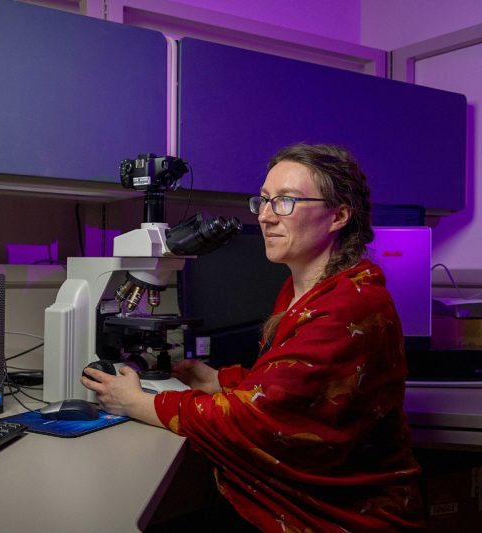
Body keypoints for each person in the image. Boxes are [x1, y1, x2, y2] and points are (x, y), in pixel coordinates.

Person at [81, 144, 425, 531]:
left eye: (285, 202)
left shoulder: (346, 307)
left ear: (339, 215)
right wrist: (217, 380)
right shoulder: (310, 289)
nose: (264, 216)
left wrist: (138, 403)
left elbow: (258, 421)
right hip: (301, 501)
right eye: (262, 201)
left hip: (334, 518)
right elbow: (294, 394)